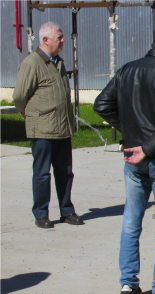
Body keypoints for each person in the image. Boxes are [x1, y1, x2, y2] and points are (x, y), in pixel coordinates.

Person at [94, 26, 155, 294]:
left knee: (131, 220)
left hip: (133, 155)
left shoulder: (127, 69)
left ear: (152, 42)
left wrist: (130, 132)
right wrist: (147, 146)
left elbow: (101, 105)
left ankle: (128, 282)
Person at [13, 22, 84, 229]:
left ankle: (67, 211)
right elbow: (19, 96)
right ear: (45, 40)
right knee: (43, 173)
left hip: (62, 129)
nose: (63, 41)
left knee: (65, 173)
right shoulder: (32, 63)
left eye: (62, 37)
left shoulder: (59, 63)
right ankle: (41, 213)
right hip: (43, 129)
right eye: (59, 38)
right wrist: (26, 112)